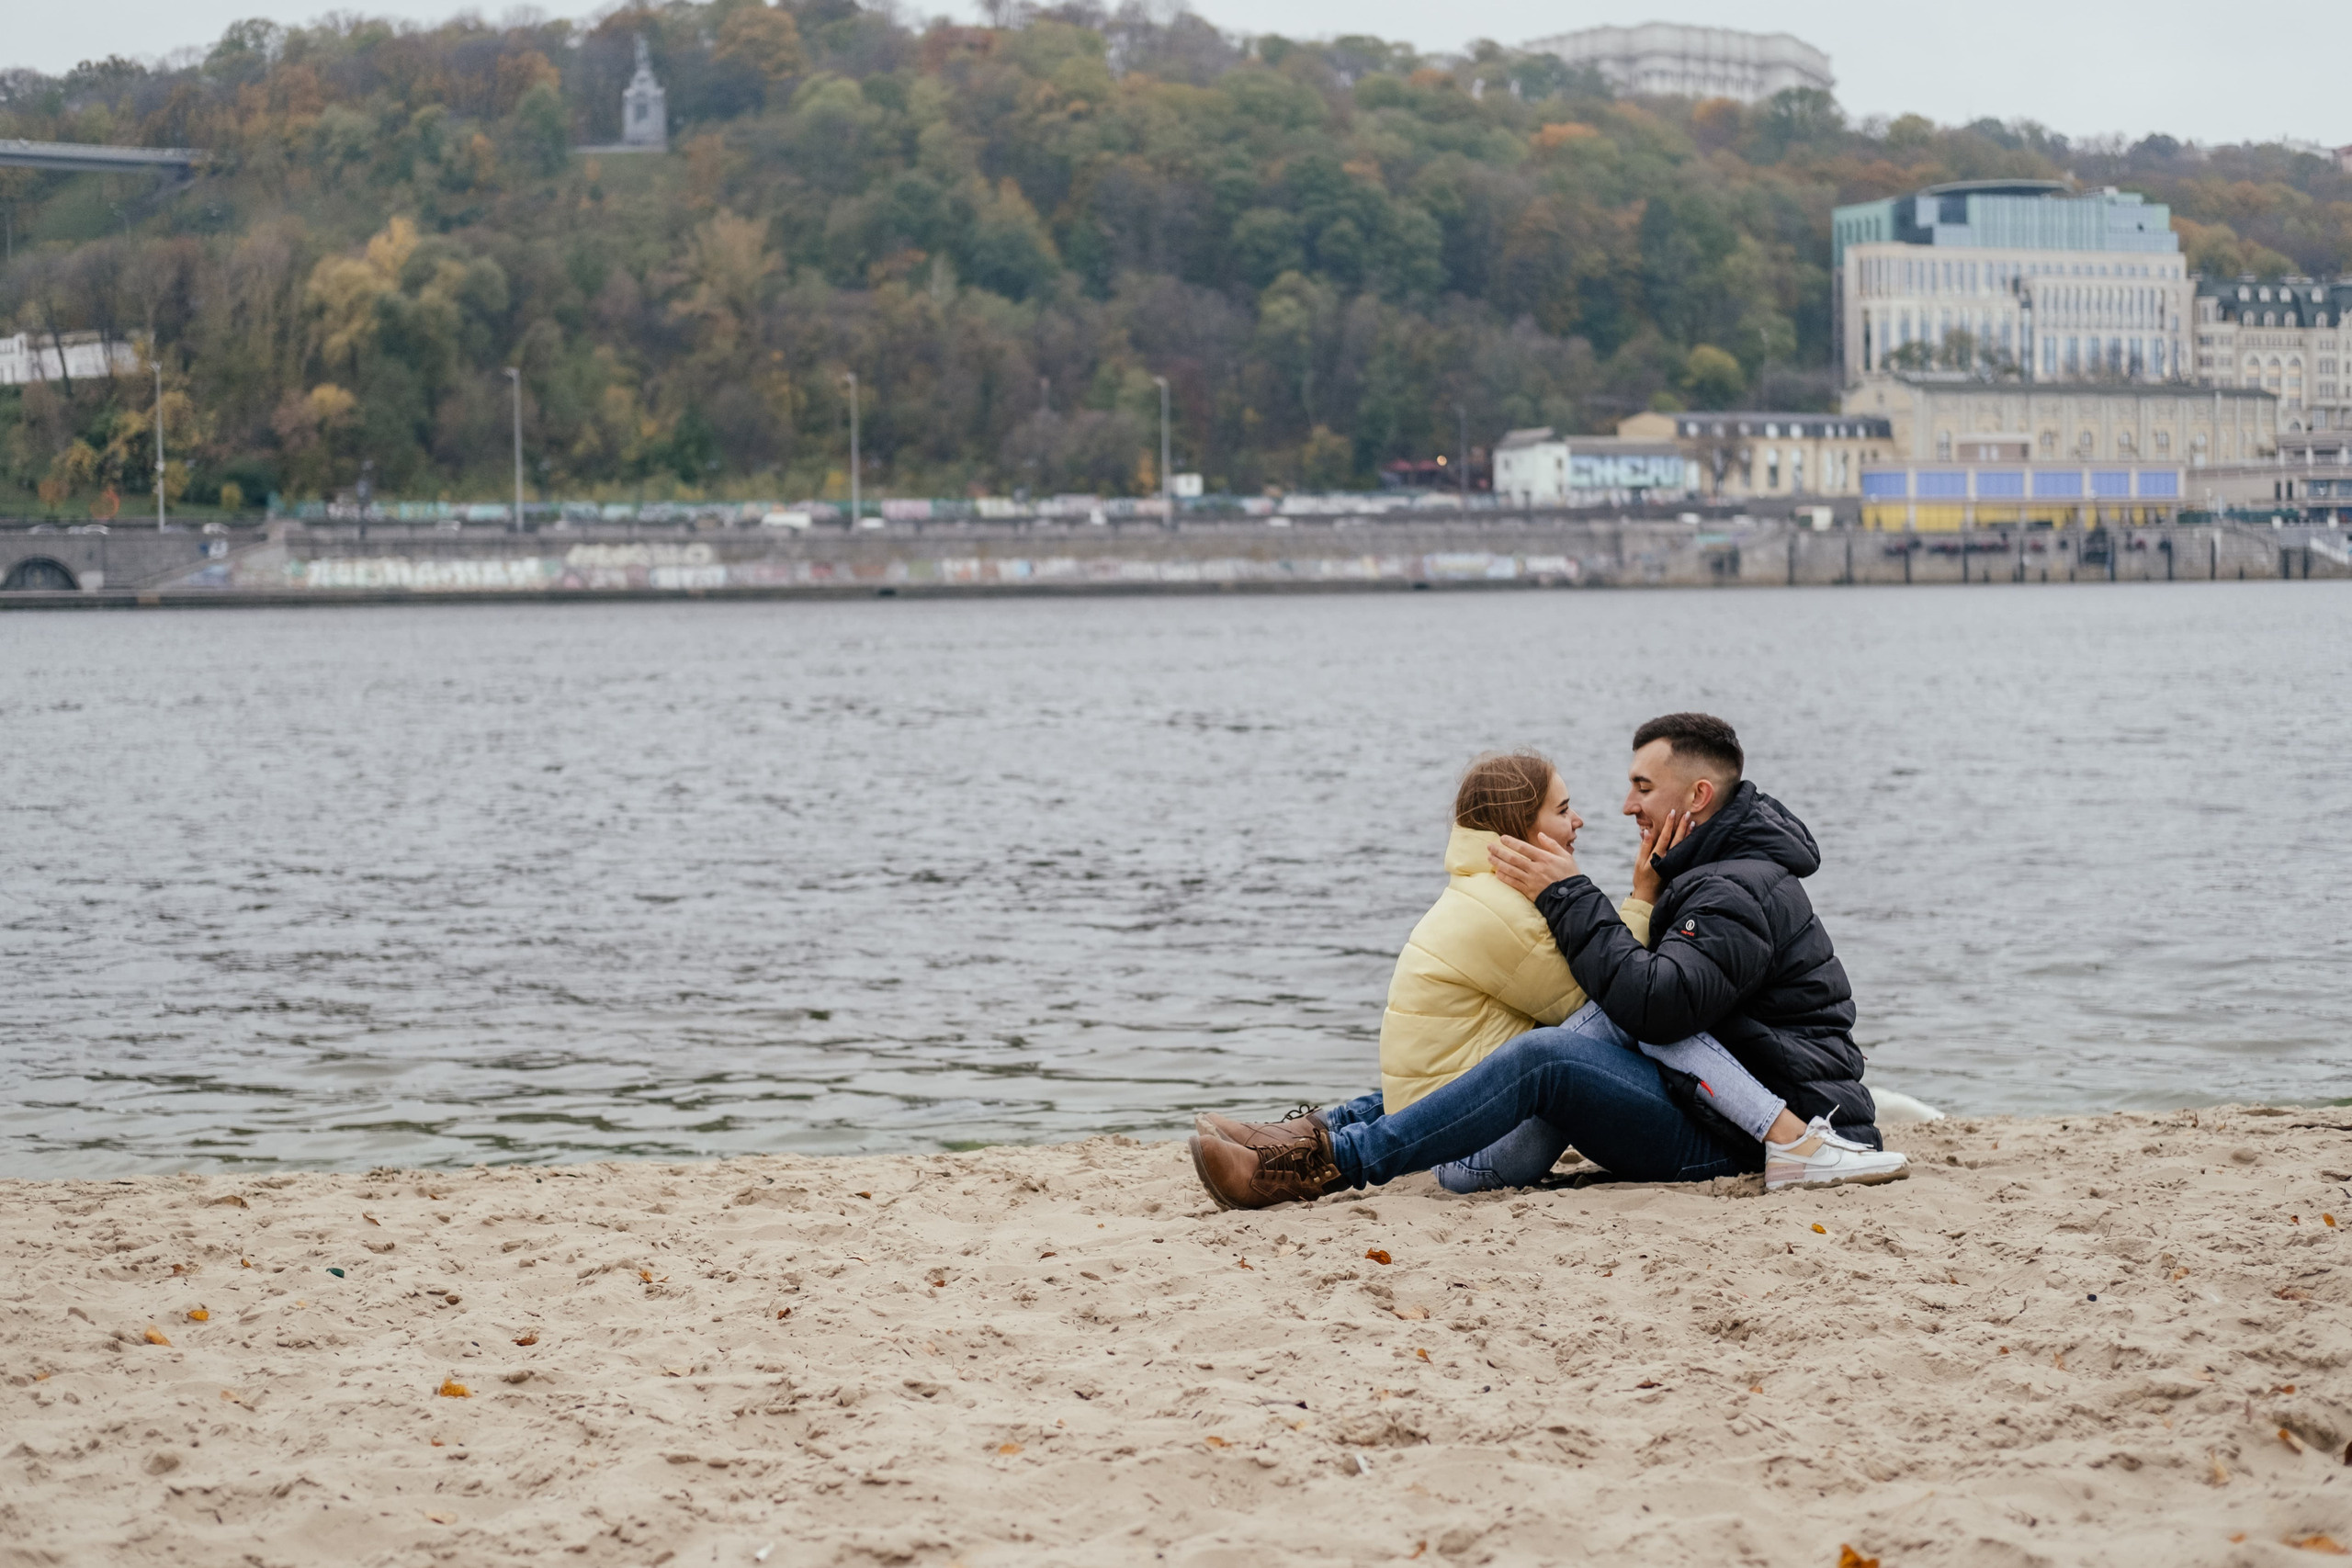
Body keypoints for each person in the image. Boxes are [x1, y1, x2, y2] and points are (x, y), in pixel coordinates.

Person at [1189, 714, 1907, 1207]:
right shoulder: (1709, 875)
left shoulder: (1732, 889)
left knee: (1543, 1056)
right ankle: (1314, 1137)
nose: (1622, 807)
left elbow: (1644, 1006)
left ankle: (1327, 1162)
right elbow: (1634, 1003)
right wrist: (1623, 897)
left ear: (1697, 795)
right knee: (1520, 1055)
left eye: (1642, 787)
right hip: (1714, 1108)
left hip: (1741, 1135)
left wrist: (1576, 894)